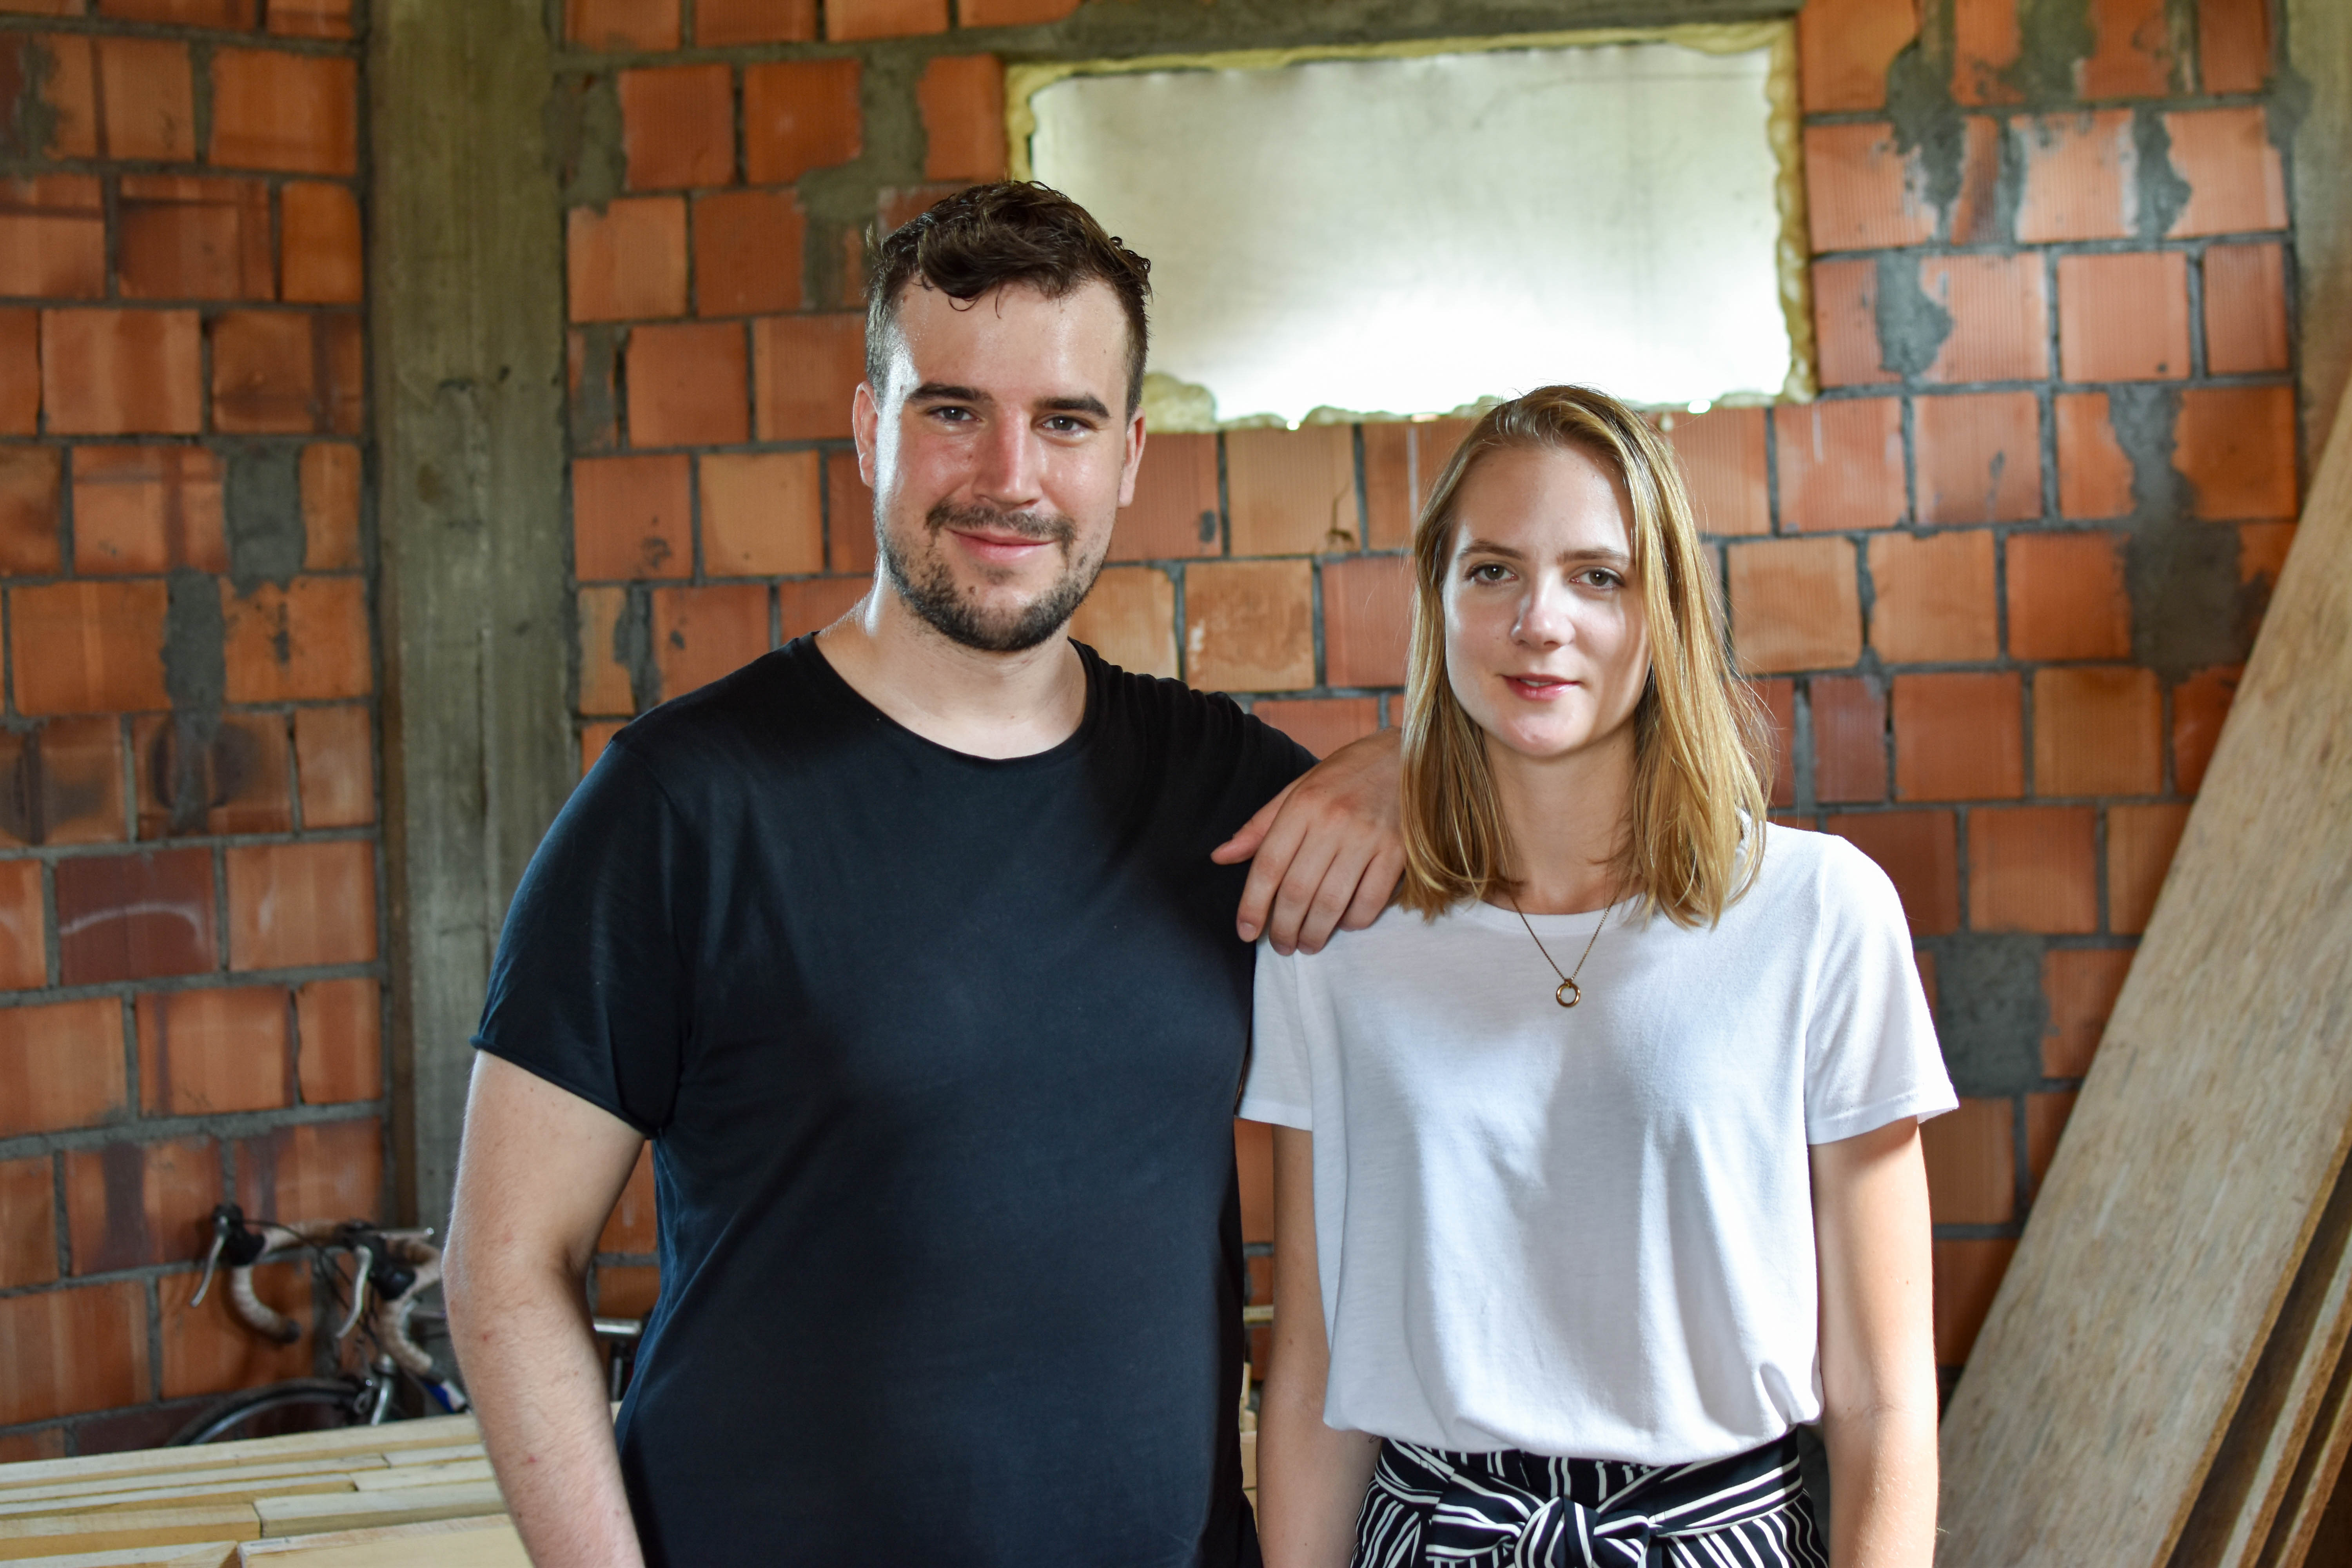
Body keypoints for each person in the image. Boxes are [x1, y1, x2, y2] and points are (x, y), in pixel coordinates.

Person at [443, 182, 1406, 1568]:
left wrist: (1413, 766)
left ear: (1129, 456)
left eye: (1065, 422)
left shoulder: (1230, 796)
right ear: (868, 431)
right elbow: (504, 1265)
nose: (1009, 475)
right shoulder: (681, 803)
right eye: (953, 410)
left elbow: (1558, 859)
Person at [1244, 386, 1950, 1568]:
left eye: (1598, 577)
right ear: (1439, 600)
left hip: (1720, 1539)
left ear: (1665, 606)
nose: (1541, 621)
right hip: (1435, 1537)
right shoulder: (1340, 936)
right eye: (1493, 573)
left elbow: (1883, 1398)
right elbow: (1316, 1365)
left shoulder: (1820, 912)